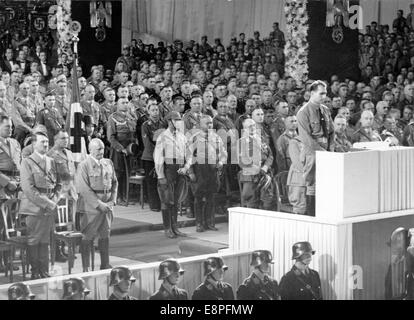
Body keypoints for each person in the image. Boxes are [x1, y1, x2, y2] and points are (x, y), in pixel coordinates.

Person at [20, 132, 61, 279]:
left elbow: (59, 185)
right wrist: (47, 203)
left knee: (45, 241)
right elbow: (28, 189)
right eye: (42, 142)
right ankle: (35, 272)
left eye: (47, 141)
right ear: (34, 144)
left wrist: (54, 201)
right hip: (33, 209)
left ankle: (44, 271)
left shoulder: (52, 161)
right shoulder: (27, 162)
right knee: (34, 240)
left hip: (49, 208)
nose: (45, 144)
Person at [76, 138, 117, 272]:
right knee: (88, 236)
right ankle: (86, 267)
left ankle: (105, 264)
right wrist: (99, 204)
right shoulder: (84, 165)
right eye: (98, 149)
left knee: (105, 235)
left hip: (107, 205)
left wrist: (112, 200)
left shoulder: (108, 163)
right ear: (90, 150)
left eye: (103, 148)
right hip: (91, 207)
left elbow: (115, 183)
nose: (101, 151)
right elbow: (84, 189)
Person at [296, 81, 334, 216]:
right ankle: (311, 215)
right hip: (312, 153)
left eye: (325, 93)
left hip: (326, 151)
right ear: (312, 93)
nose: (324, 96)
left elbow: (331, 132)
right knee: (312, 185)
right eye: (321, 93)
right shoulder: (303, 112)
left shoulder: (325, 110)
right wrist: (323, 153)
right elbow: (306, 138)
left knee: (326, 183)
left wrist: (330, 150)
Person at [187, 115, 227, 232]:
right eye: (207, 123)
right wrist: (190, 172)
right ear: (200, 125)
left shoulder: (216, 138)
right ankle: (199, 223)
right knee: (199, 197)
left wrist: (221, 162)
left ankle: (209, 222)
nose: (209, 125)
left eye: (211, 123)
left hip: (212, 169)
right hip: (199, 169)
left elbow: (223, 153)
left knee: (211, 197)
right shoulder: (194, 138)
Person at [154, 111, 190, 238]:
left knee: (176, 200)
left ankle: (175, 227)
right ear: (170, 121)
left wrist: (186, 167)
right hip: (168, 170)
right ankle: (167, 228)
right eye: (176, 120)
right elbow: (158, 158)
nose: (179, 122)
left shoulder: (182, 136)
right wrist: (160, 176)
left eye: (180, 119)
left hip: (180, 170)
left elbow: (189, 155)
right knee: (166, 200)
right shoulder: (162, 137)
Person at [238, 118, 273, 209]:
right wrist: (257, 169)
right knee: (252, 202)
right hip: (250, 177)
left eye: (254, 125)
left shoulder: (261, 139)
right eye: (249, 126)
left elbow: (270, 156)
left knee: (267, 201)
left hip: (264, 174)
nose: (252, 128)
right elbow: (242, 162)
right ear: (244, 129)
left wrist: (265, 167)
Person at [107, 97, 136, 206]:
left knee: (128, 173)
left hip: (130, 149)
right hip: (118, 151)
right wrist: (121, 148)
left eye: (126, 102)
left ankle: (126, 196)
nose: (125, 104)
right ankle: (118, 197)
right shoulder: (113, 118)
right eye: (122, 103)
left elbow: (134, 134)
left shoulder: (131, 117)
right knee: (118, 174)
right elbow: (111, 137)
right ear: (117, 105)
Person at [141, 103, 166, 212]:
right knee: (151, 181)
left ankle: (163, 202)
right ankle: (154, 205)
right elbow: (147, 143)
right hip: (150, 157)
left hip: (163, 156)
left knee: (162, 180)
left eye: (157, 110)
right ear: (148, 112)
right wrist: (158, 154)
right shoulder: (146, 125)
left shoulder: (163, 124)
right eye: (153, 110)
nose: (155, 112)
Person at [287, 135, 307, 215]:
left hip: (312, 178)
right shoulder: (295, 142)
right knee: (300, 207)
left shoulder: (314, 140)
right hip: (299, 179)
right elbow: (298, 163)